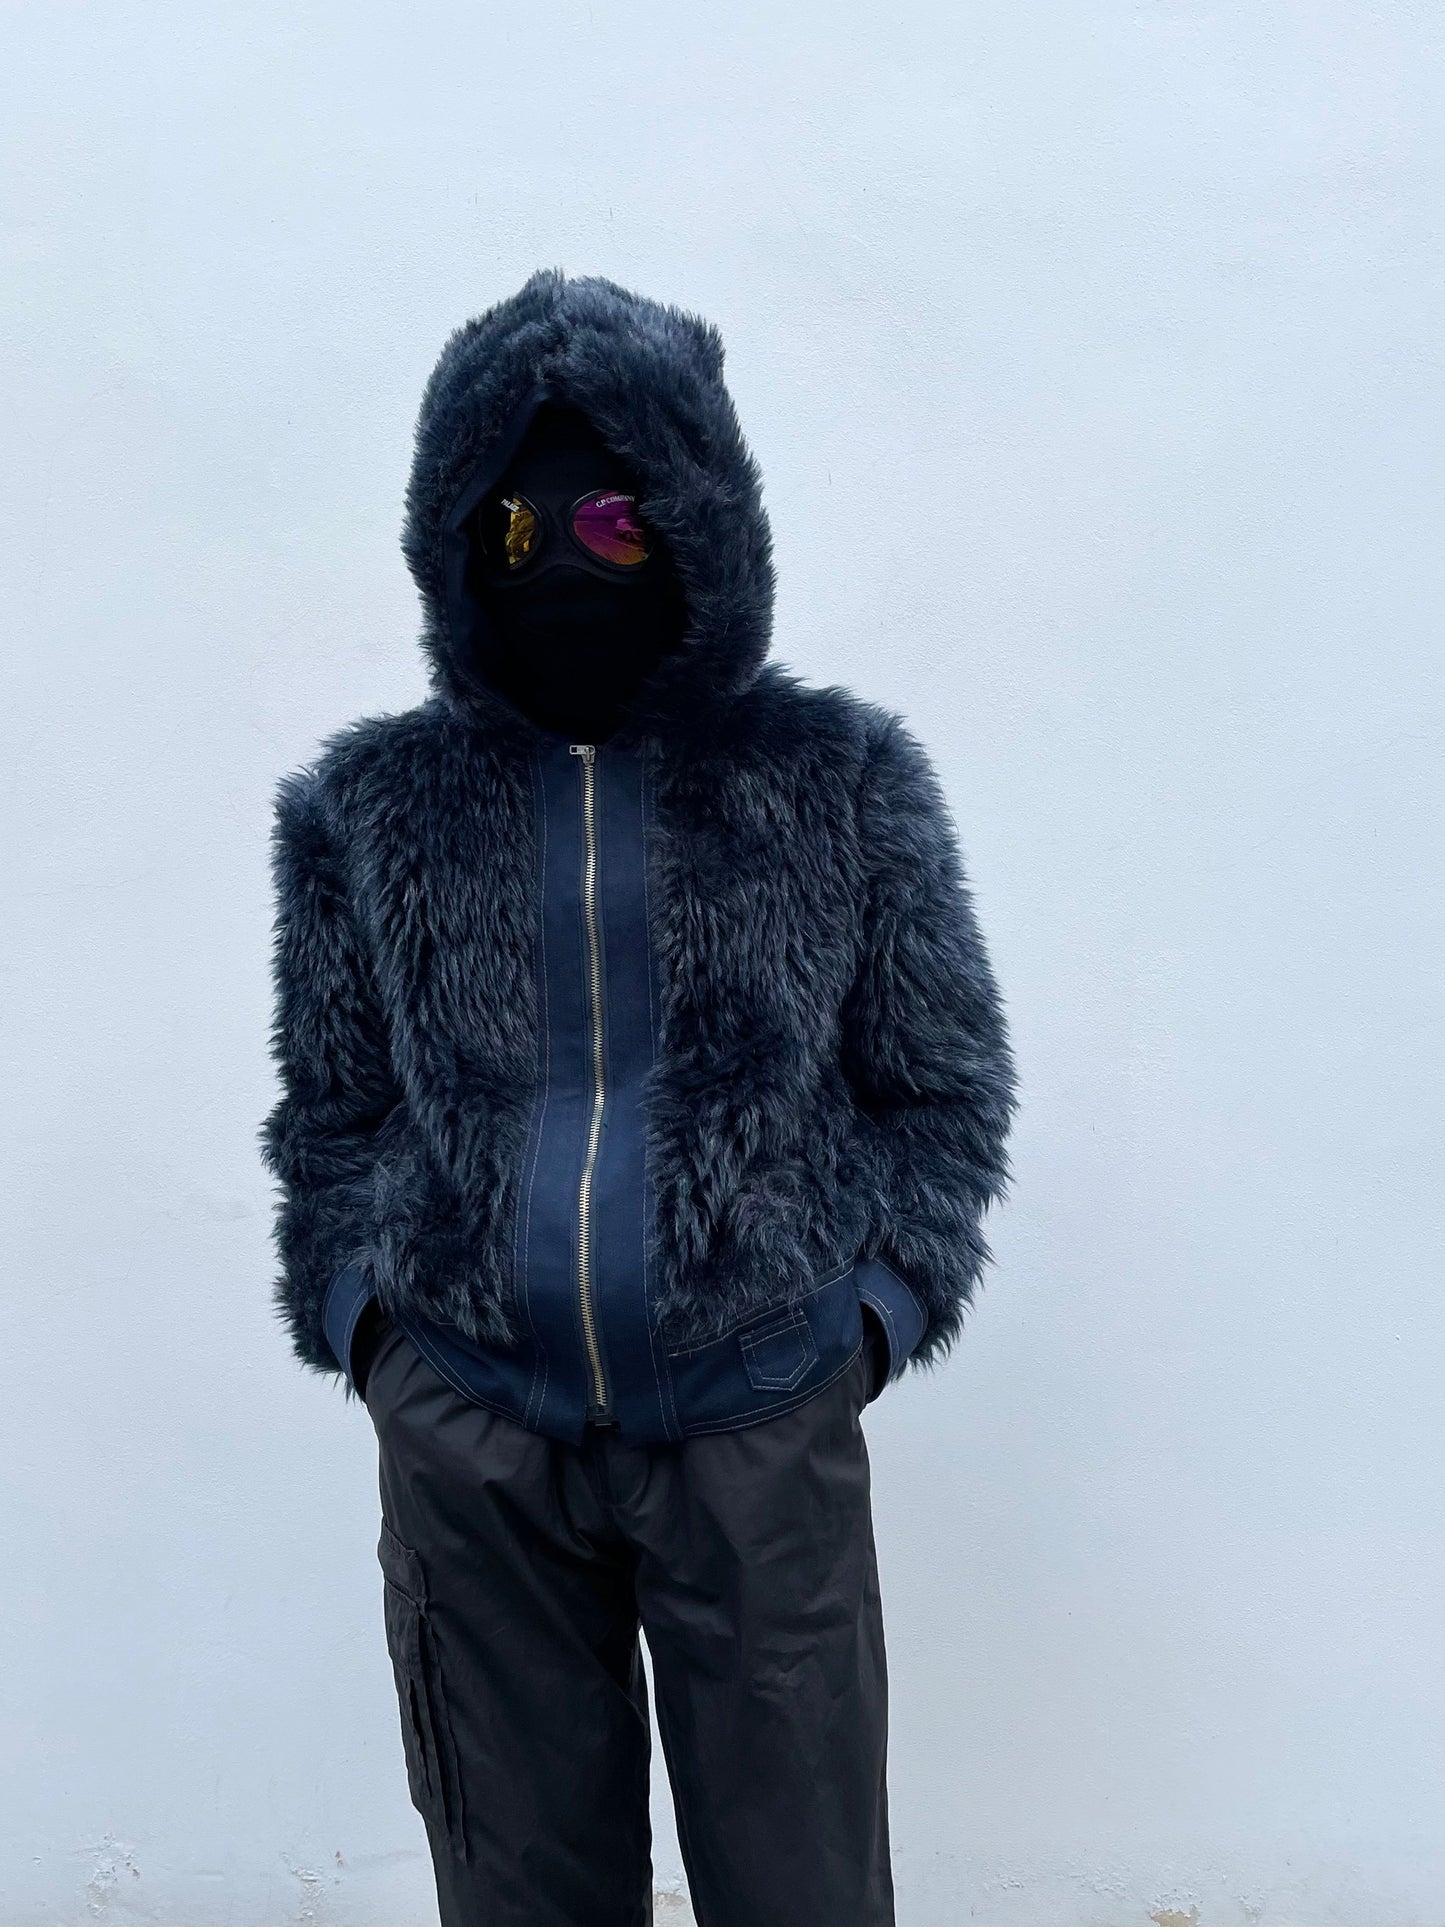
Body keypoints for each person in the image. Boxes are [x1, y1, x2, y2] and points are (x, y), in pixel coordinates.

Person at [259, 267, 1017, 1927]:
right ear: (451, 542)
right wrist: (372, 1327)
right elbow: (331, 1108)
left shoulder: (837, 780)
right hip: (472, 1422)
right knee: (521, 1889)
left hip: (756, 1408)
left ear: (694, 525)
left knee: (801, 1889)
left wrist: (867, 1318)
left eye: (611, 521)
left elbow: (941, 1085)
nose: (559, 562)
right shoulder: (366, 809)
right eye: (512, 529)